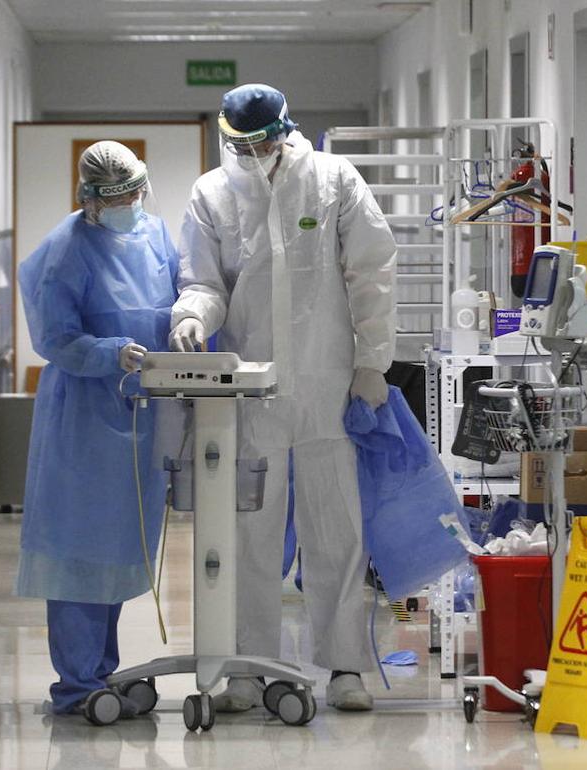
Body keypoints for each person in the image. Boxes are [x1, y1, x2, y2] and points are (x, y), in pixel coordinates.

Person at [171, 84, 397, 711]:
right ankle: (247, 667)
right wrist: (192, 313)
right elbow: (205, 279)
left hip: (327, 382)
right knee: (249, 532)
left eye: (261, 142)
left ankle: (345, 667)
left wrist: (373, 361)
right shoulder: (212, 192)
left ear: (284, 130)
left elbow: (371, 273)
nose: (252, 154)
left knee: (337, 529)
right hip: (253, 387)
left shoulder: (333, 180)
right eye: (240, 144)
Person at [16, 141, 179, 719]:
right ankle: (77, 683)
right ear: (90, 199)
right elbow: (55, 339)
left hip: (140, 418)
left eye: (136, 192)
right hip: (83, 420)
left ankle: (100, 673)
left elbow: (182, 296)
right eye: (119, 197)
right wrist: (113, 353)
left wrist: (189, 325)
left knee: (116, 548)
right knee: (78, 552)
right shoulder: (63, 252)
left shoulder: (156, 237)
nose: (131, 204)